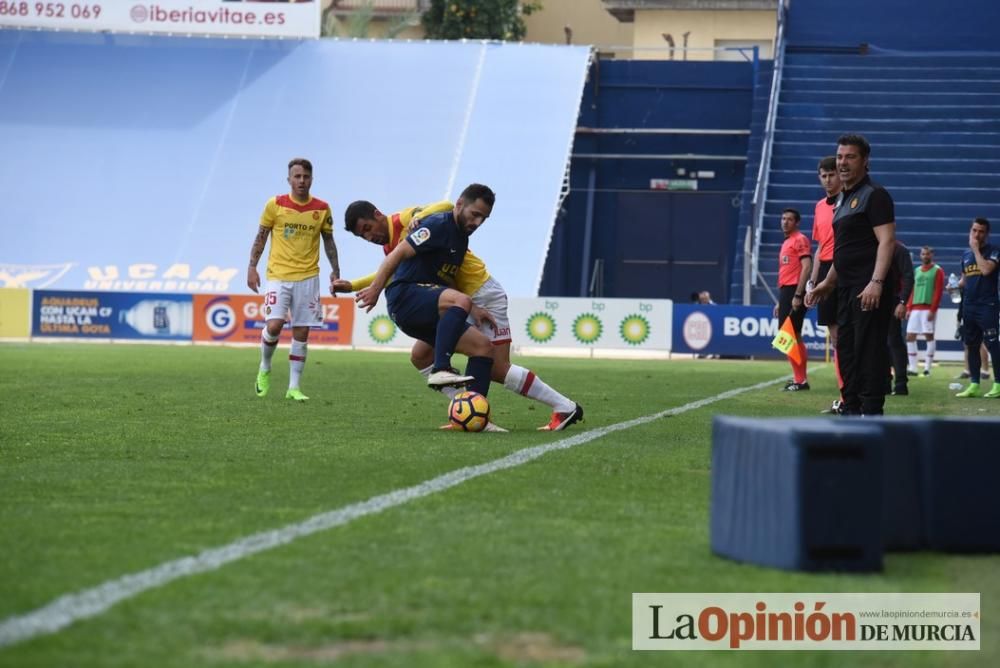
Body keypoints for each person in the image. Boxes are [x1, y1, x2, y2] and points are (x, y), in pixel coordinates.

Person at [338, 198, 584, 432]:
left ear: (378, 215)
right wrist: (352, 285)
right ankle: (464, 411)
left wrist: (418, 216)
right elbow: (392, 269)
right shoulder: (390, 247)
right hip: (453, 296)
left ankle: (564, 407)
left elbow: (443, 207)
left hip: (482, 292)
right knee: (421, 355)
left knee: (497, 368)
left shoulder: (405, 221)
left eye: (368, 229)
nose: (369, 237)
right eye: (363, 235)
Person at [805, 134, 897, 416]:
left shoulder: (875, 195)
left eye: (850, 157)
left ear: (865, 161)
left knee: (868, 352)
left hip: (867, 288)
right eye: (840, 156)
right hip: (844, 287)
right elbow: (843, 250)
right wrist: (827, 283)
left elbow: (887, 241)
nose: (843, 162)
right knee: (845, 351)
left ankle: (871, 414)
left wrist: (876, 282)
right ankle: (851, 408)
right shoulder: (842, 200)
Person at [247, 158, 339, 402]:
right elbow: (261, 237)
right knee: (275, 325)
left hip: (308, 277)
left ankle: (294, 387)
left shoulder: (322, 208)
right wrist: (252, 267)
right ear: (289, 179)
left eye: (306, 176)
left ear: (312, 179)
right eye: (297, 176)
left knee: (301, 332)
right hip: (278, 275)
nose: (301, 181)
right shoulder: (275, 204)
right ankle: (265, 367)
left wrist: (335, 270)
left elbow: (329, 241)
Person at [805, 156, 843, 410]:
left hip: (848, 268)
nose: (828, 180)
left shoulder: (850, 202)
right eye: (823, 175)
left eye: (832, 174)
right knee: (836, 335)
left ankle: (857, 392)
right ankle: (846, 395)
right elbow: (820, 247)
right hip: (826, 267)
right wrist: (812, 279)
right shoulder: (819, 207)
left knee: (852, 333)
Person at [955, 217, 1000, 398]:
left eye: (981, 231)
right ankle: (974, 384)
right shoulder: (965, 255)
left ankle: (997, 384)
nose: (976, 234)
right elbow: (964, 281)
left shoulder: (994, 251)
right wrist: (955, 286)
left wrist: (975, 249)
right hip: (969, 306)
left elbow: (987, 270)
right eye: (974, 230)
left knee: (992, 344)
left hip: (987, 305)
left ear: (987, 233)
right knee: (971, 345)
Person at [774, 208, 812, 390]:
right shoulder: (787, 242)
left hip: (795, 291)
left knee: (787, 334)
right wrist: (781, 301)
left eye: (789, 219)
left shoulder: (800, 240)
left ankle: (800, 380)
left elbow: (807, 267)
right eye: (783, 218)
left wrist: (798, 294)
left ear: (797, 222)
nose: (785, 222)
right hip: (787, 292)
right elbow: (787, 272)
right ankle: (800, 379)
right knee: (793, 335)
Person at [905, 246, 944, 376]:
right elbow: (912, 290)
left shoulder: (938, 270)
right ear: (920, 255)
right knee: (910, 337)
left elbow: (938, 291)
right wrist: (909, 308)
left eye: (927, 254)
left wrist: (933, 309)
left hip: (928, 308)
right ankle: (913, 367)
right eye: (923, 254)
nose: (925, 256)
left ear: (932, 255)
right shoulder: (916, 270)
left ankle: (927, 368)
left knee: (929, 336)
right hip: (915, 307)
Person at [886, 241, 914, 396]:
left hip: (892, 300)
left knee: (893, 341)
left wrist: (903, 302)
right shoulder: (871, 245)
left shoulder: (899, 249)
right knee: (878, 342)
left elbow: (909, 276)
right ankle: (883, 382)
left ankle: (901, 383)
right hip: (873, 299)